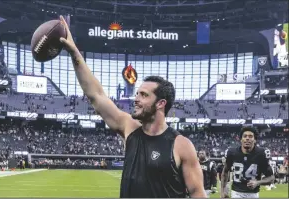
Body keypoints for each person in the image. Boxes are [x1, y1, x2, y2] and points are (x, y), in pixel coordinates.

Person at [59, 16, 206, 198]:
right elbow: (96, 96)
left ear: (161, 104)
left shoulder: (181, 145)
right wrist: (75, 54)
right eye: (137, 93)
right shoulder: (129, 127)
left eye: (144, 95)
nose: (136, 99)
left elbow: (197, 193)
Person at [221, 127, 275, 198]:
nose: (247, 138)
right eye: (245, 136)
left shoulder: (261, 154)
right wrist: (223, 190)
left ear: (255, 140)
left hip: (253, 194)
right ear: (241, 139)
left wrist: (257, 182)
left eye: (250, 136)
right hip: (236, 193)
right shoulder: (232, 152)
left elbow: (271, 178)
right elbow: (225, 172)